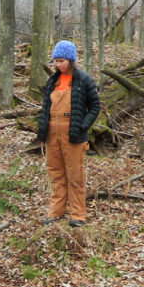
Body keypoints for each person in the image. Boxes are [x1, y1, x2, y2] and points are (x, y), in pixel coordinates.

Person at [36, 40, 100, 227]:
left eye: (61, 61)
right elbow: (45, 106)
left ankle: (77, 215)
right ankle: (56, 212)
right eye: (55, 61)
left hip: (73, 134)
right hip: (51, 133)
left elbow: (95, 106)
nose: (58, 64)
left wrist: (83, 125)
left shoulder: (84, 79)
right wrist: (42, 129)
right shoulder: (52, 80)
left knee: (74, 175)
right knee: (55, 173)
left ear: (71, 60)